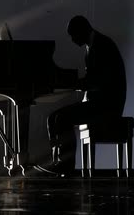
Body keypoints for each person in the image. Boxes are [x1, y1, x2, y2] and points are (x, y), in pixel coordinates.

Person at [40, 15, 126, 175]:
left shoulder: (101, 45)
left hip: (108, 104)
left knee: (62, 118)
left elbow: (99, 81)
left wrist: (71, 83)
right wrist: (76, 84)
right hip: (100, 101)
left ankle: (67, 166)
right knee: (52, 118)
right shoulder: (93, 45)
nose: (72, 40)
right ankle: (57, 160)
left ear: (82, 30)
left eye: (73, 35)